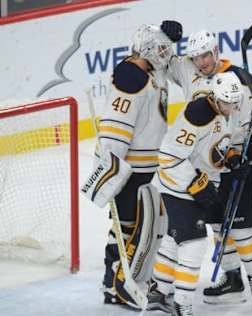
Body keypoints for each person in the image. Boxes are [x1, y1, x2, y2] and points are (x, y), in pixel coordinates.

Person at [149, 29, 252, 309]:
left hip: (234, 162)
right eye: (195, 57)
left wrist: (247, 150)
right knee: (216, 228)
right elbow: (161, 59)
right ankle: (232, 278)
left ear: (215, 51)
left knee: (242, 230)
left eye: (204, 55)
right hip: (201, 169)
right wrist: (165, 37)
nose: (201, 62)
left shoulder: (239, 80)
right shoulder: (190, 75)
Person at [81, 21, 182, 307]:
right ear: (148, 49)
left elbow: (172, 64)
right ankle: (113, 283)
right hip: (131, 168)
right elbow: (115, 129)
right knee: (125, 227)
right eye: (161, 48)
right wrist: (111, 171)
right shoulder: (131, 78)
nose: (166, 53)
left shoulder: (151, 69)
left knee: (145, 226)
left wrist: (169, 33)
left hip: (149, 165)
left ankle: (131, 278)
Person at [150, 72, 244, 315]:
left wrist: (230, 157)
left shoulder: (223, 110)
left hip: (191, 186)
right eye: (226, 103)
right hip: (177, 188)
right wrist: (197, 185)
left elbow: (214, 144)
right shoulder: (197, 115)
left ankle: (158, 290)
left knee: (174, 240)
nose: (230, 108)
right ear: (214, 97)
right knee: (194, 243)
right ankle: (183, 303)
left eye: (234, 103)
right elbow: (169, 157)